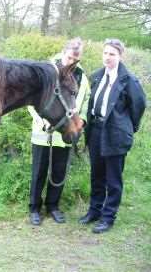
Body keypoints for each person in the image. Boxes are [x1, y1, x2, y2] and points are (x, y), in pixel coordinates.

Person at [79, 38, 146, 233]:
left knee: (113, 179)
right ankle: (94, 211)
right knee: (96, 175)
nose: (107, 57)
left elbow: (139, 106)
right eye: (105, 53)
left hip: (116, 134)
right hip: (96, 132)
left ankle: (108, 217)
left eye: (112, 54)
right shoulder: (97, 76)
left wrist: (127, 127)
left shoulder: (129, 80)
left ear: (120, 56)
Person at [28, 38, 90, 226]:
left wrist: (82, 122)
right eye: (70, 57)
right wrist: (40, 120)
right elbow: (32, 99)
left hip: (66, 132)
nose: (71, 61)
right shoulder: (47, 70)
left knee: (59, 171)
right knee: (38, 171)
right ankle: (34, 208)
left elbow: (86, 100)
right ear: (64, 52)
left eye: (75, 59)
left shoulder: (81, 76)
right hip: (43, 131)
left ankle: (53, 206)